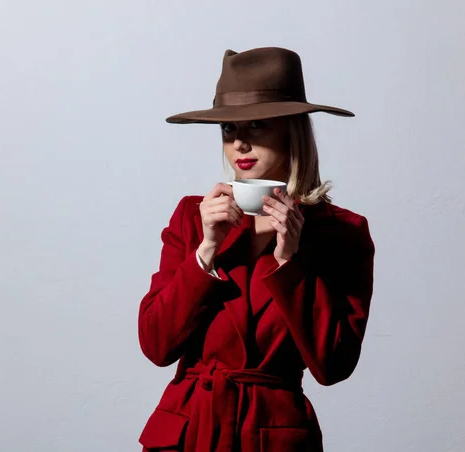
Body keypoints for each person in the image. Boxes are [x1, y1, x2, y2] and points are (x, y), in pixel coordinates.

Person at [137, 47, 375, 452]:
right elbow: (156, 346)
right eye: (229, 130)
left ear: (292, 130)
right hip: (188, 433)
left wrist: (289, 262)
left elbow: (334, 365)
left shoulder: (342, 232)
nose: (240, 143)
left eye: (258, 125)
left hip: (274, 436)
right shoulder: (193, 218)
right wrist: (206, 250)